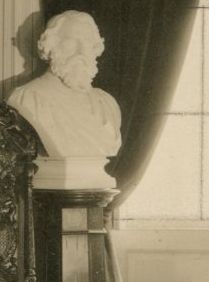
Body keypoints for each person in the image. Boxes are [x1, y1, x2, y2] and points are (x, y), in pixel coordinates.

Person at [7, 11, 125, 191]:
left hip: (93, 185)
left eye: (88, 43)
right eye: (72, 41)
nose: (81, 51)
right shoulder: (27, 98)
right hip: (54, 185)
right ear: (50, 46)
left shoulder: (107, 103)